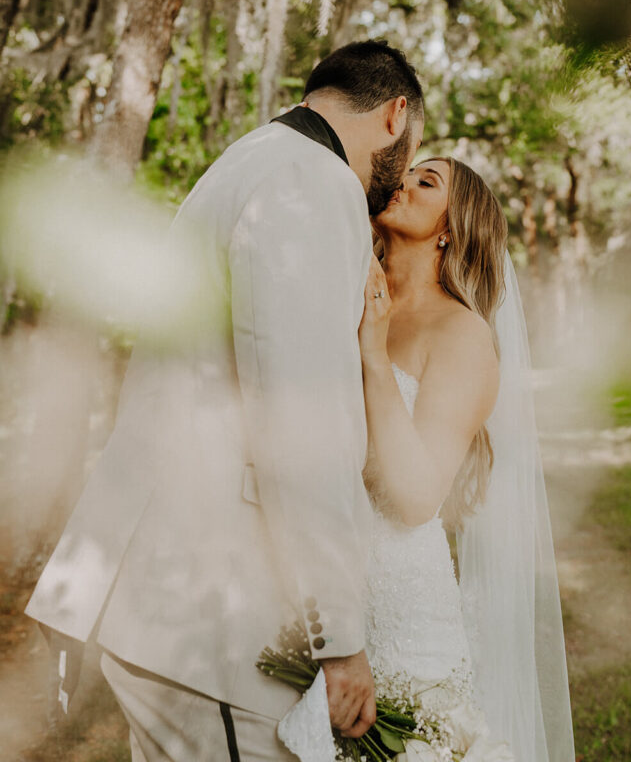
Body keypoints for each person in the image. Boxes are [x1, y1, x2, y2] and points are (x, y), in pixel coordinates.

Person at [25, 40, 425, 762]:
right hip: (219, 618)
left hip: (167, 601)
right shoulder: (314, 181)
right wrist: (338, 637)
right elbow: (297, 418)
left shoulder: (249, 159)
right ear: (395, 115)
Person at [357, 157, 575, 761]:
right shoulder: (348, 295)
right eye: (405, 173)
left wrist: (373, 358)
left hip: (397, 606)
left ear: (452, 227)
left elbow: (417, 497)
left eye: (425, 182)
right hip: (316, 586)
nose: (399, 182)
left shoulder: (461, 335)